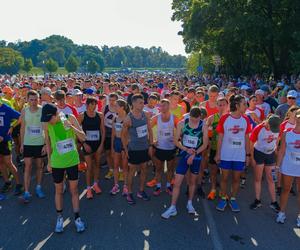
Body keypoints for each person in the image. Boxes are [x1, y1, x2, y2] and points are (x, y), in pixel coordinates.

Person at [42, 103, 86, 233]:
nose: (48, 121)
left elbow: (83, 137)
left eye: (50, 118)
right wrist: (49, 162)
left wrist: (71, 127)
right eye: (46, 119)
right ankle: (60, 218)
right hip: (57, 163)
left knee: (74, 190)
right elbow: (48, 143)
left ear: (56, 114)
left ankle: (77, 218)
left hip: (72, 160)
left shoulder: (70, 117)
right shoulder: (46, 124)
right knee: (59, 191)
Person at [161, 107, 208, 219]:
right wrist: (186, 150)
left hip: (196, 156)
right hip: (184, 155)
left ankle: (190, 203)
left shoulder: (203, 125)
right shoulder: (183, 123)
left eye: (197, 120)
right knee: (177, 182)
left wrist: (194, 153)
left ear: (200, 117)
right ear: (189, 116)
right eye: (192, 119)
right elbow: (176, 140)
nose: (194, 121)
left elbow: (205, 144)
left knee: (192, 181)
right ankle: (172, 207)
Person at [215, 95, 251, 212]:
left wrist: (248, 155)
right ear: (237, 105)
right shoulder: (225, 118)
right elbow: (220, 138)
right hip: (226, 154)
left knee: (236, 179)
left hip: (239, 156)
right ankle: (223, 198)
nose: (246, 106)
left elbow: (247, 138)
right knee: (224, 178)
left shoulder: (246, 119)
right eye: (244, 104)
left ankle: (233, 198)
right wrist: (218, 154)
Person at [122, 94, 153, 205]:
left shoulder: (145, 115)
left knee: (144, 169)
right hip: (134, 149)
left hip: (144, 147)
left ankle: (141, 191)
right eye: (140, 102)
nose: (143, 104)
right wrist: (126, 150)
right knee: (132, 171)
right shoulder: (128, 118)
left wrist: (150, 145)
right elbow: (123, 136)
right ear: (133, 103)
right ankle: (129, 193)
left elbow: (150, 130)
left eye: (143, 102)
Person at [249, 115, 281, 211]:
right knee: (258, 178)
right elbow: (251, 143)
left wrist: (275, 151)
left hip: (270, 154)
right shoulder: (258, 128)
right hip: (259, 153)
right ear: (267, 122)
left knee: (271, 179)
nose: (273, 130)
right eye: (272, 127)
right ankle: (257, 200)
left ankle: (274, 202)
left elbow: (278, 139)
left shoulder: (278, 128)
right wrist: (251, 158)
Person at [20, 90, 46, 203]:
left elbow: (46, 128)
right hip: (28, 142)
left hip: (40, 142)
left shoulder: (42, 110)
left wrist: (45, 144)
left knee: (40, 166)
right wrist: (21, 143)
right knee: (28, 166)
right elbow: (22, 128)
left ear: (38, 99)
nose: (34, 102)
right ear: (27, 100)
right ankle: (26, 191)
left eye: (36, 99)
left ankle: (38, 187)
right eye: (31, 99)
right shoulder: (24, 111)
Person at [276, 109, 300, 227]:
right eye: (298, 117)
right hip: (288, 165)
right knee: (285, 189)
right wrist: (277, 165)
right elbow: (281, 151)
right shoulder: (287, 132)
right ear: (295, 118)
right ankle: (281, 212)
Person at [78, 97, 105, 199]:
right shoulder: (82, 116)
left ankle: (95, 184)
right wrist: (84, 143)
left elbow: (103, 131)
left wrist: (101, 145)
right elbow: (77, 131)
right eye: (91, 104)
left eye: (95, 104)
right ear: (87, 105)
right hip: (87, 145)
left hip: (98, 144)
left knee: (97, 165)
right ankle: (88, 188)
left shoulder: (100, 115)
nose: (93, 106)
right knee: (89, 167)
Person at [150, 99, 178, 196]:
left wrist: (177, 140)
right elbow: (148, 128)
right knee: (158, 169)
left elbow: (181, 130)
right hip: (159, 148)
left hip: (171, 148)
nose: (162, 108)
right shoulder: (156, 118)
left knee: (170, 169)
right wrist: (152, 141)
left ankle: (168, 186)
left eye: (164, 106)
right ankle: (158, 187)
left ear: (169, 106)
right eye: (161, 106)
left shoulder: (174, 118)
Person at [206, 97, 228, 200]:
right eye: (219, 105)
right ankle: (213, 189)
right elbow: (205, 132)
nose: (222, 107)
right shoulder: (211, 118)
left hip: (226, 150)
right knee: (213, 171)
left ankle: (224, 192)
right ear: (216, 106)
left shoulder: (230, 118)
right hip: (214, 148)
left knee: (225, 173)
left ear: (227, 106)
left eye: (224, 104)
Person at [0, 99, 23, 195]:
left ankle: (18, 184)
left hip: (5, 140)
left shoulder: (6, 108)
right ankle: (7, 182)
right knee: (0, 163)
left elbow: (21, 117)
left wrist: (12, 126)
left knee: (8, 162)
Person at [110, 99, 130, 196]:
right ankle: (116, 185)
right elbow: (113, 134)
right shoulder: (114, 118)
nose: (115, 108)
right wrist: (112, 147)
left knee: (125, 166)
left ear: (122, 107)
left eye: (116, 106)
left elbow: (130, 134)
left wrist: (127, 147)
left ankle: (125, 186)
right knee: (115, 165)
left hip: (125, 144)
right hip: (117, 143)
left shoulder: (128, 119)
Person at [103, 93, 118, 180]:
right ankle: (111, 169)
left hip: (117, 134)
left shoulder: (119, 108)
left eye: (113, 100)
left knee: (117, 154)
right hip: (107, 134)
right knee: (108, 153)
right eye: (110, 100)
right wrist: (103, 133)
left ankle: (119, 170)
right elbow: (102, 122)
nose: (112, 102)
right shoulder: (105, 108)